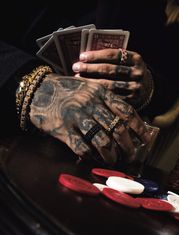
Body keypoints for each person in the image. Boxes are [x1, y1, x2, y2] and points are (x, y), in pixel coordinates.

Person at [0, 0, 167, 165]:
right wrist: (33, 85)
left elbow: (159, 63)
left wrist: (146, 85)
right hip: (10, 130)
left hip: (94, 154)